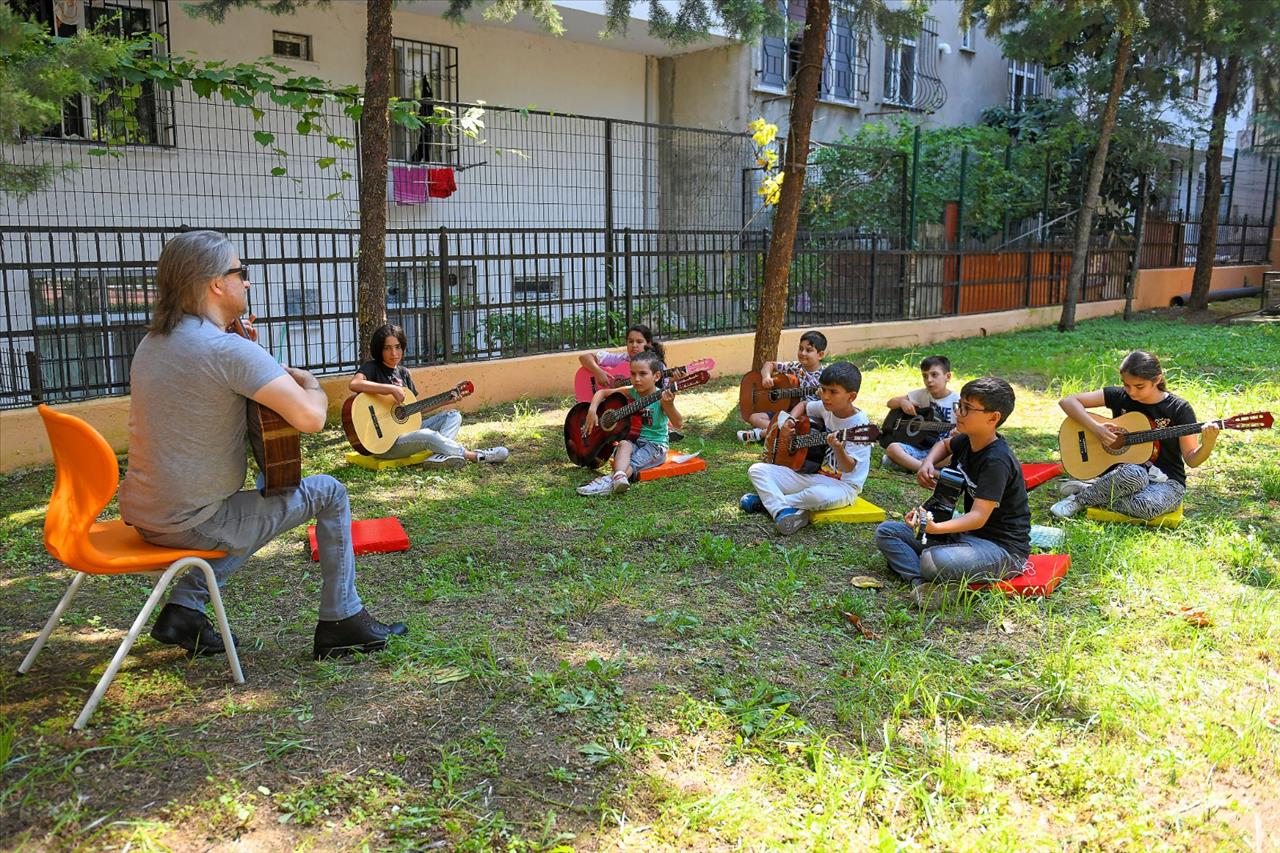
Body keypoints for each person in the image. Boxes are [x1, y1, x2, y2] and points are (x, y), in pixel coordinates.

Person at [118, 230, 407, 660]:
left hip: (145, 512)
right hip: (194, 521)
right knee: (330, 493)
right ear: (216, 284)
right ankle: (341, 619)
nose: (247, 282)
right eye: (241, 272)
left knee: (265, 492)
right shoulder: (225, 348)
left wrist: (252, 352)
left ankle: (185, 608)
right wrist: (309, 383)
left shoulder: (153, 343)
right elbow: (309, 418)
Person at [874, 377, 1031, 610]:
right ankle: (923, 585)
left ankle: (929, 573)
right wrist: (927, 462)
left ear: (993, 417)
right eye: (960, 405)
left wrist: (935, 528)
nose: (959, 413)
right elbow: (945, 446)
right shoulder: (968, 441)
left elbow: (978, 517)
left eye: (967, 408)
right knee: (887, 532)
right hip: (967, 537)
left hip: (1003, 550)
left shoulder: (996, 460)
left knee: (931, 560)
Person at [1051, 350, 1215, 520]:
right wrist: (1096, 428)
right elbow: (1068, 401)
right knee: (1134, 473)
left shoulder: (1179, 409)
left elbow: (1192, 460)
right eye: (1126, 385)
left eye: (1139, 386)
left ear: (1157, 380)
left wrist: (1208, 444)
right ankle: (1079, 501)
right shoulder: (1121, 396)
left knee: (1147, 508)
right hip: (1125, 476)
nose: (1132, 392)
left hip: (1167, 481)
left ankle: (1093, 491)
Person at [349, 323, 509, 467]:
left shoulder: (403, 373)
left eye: (397, 347)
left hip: (406, 434)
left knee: (453, 415)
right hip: (385, 444)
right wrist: (390, 389)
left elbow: (412, 412)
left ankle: (439, 456)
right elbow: (354, 384)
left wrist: (446, 401)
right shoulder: (372, 367)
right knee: (427, 435)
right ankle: (475, 455)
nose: (394, 353)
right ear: (379, 349)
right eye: (387, 348)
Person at [741, 361, 872, 535]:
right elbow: (803, 406)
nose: (825, 396)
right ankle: (782, 509)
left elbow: (848, 468)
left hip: (843, 487)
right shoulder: (827, 408)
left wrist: (839, 449)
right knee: (757, 470)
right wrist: (790, 421)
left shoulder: (860, 427)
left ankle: (769, 503)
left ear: (851, 397)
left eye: (833, 392)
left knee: (815, 495)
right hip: (812, 473)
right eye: (823, 389)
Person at [577, 351, 683, 496]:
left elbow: (678, 423)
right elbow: (601, 393)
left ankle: (608, 481)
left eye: (643, 374)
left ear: (657, 376)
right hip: (634, 441)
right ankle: (619, 477)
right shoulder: (632, 392)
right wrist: (592, 410)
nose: (637, 379)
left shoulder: (662, 397)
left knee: (632, 462)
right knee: (623, 444)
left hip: (654, 446)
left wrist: (669, 405)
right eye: (633, 374)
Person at [578, 324, 683, 443]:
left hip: (638, 411)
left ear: (648, 344)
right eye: (630, 341)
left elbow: (661, 398)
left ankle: (662, 432)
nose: (634, 345)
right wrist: (598, 371)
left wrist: (673, 382)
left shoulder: (658, 367)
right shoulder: (621, 359)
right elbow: (584, 357)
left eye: (639, 342)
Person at [738, 329, 827, 443]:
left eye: (808, 350)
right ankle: (781, 434)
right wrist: (766, 377)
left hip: (805, 417)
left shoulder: (825, 376)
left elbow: (829, 401)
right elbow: (769, 364)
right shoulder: (795, 367)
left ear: (820, 355)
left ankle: (761, 433)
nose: (803, 353)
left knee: (802, 429)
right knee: (754, 418)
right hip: (787, 412)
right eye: (800, 348)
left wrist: (823, 395)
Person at [882, 355, 960, 473]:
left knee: (957, 455)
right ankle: (926, 468)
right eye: (925, 376)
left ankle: (913, 465)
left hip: (942, 452)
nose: (929, 380)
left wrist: (958, 434)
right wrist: (902, 402)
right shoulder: (921, 394)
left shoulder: (958, 401)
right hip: (920, 446)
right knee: (892, 448)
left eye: (934, 375)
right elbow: (890, 403)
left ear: (947, 376)